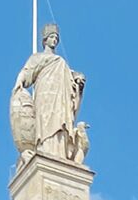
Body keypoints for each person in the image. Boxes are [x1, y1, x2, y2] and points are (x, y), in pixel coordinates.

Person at [11, 23, 85, 161]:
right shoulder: (37, 58)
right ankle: (44, 149)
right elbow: (27, 71)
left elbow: (71, 80)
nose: (54, 40)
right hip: (44, 95)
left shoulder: (61, 62)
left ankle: (60, 152)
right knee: (44, 122)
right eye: (52, 37)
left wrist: (78, 82)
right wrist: (19, 83)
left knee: (59, 121)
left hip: (60, 98)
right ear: (45, 40)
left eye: (56, 37)